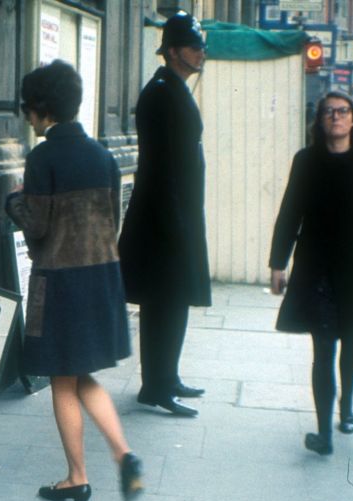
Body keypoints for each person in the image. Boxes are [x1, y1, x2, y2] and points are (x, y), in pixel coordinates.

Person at [5, 60, 143, 501]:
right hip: (101, 279)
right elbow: (111, 220)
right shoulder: (103, 156)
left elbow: (38, 227)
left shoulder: (43, 156)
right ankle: (122, 453)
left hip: (60, 284)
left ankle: (77, 477)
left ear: (42, 108)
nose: (26, 116)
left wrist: (14, 201)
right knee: (80, 374)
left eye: (28, 108)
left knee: (62, 382)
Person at [269, 91, 353, 456]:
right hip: (317, 270)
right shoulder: (306, 161)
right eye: (329, 112)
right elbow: (290, 212)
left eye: (342, 112)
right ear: (320, 121)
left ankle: (346, 410)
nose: (336, 118)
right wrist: (278, 263)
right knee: (323, 347)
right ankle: (324, 432)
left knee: (352, 339)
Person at [118, 11, 210, 418]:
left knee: (174, 300)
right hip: (164, 220)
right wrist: (177, 226)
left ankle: (166, 377)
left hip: (176, 216)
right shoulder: (161, 93)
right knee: (163, 301)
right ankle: (154, 386)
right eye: (193, 47)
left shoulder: (172, 88)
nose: (201, 53)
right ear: (173, 52)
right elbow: (161, 168)